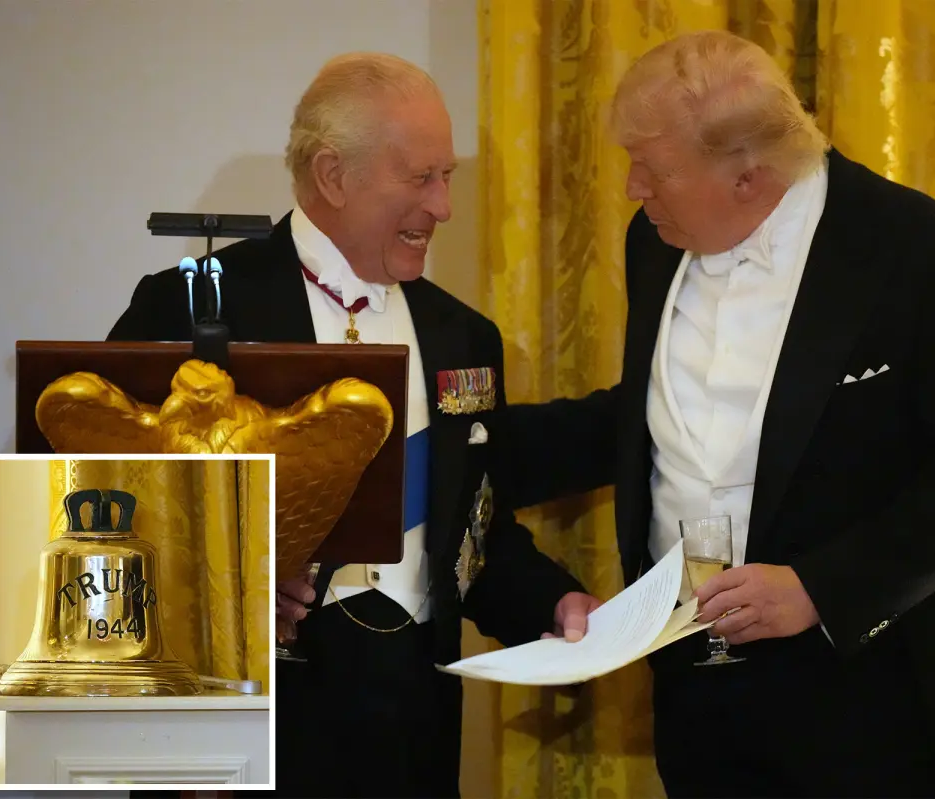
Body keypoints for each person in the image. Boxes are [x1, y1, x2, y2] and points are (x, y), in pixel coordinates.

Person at [493, 30, 935, 799]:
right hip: (697, 684)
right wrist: (458, 451)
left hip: (869, 693)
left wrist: (818, 586)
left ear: (747, 177)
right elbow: (655, 413)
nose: (631, 187)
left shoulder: (922, 254)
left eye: (653, 167)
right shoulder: (653, 243)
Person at [108, 52, 600, 798]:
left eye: (449, 177)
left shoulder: (463, 336)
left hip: (413, 729)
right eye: (421, 177)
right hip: (247, 729)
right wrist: (210, 587)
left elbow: (475, 532)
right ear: (333, 175)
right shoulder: (192, 308)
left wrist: (553, 603)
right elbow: (95, 510)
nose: (444, 207)